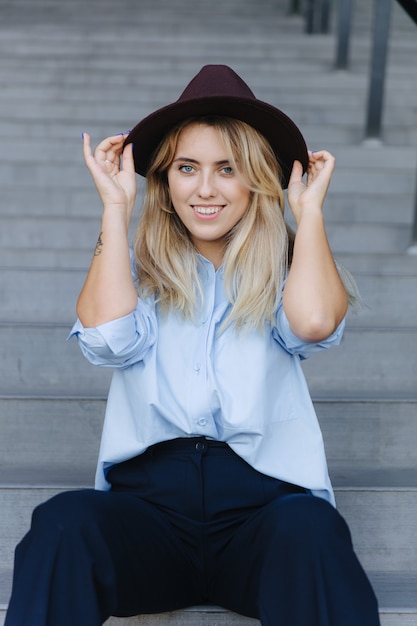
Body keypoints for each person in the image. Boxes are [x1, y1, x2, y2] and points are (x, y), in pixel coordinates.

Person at [5, 64, 380, 626]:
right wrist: (115, 206)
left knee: (312, 530)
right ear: (167, 180)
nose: (205, 188)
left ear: (255, 178)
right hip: (149, 516)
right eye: (188, 168)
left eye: (227, 169)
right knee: (62, 522)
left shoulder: (285, 271)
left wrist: (309, 213)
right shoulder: (134, 273)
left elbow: (314, 322)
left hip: (264, 517)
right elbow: (107, 338)